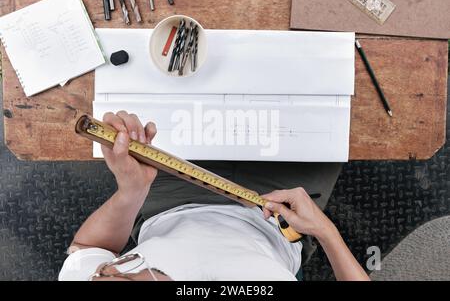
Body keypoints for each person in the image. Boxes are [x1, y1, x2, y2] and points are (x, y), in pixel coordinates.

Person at [59, 111, 370, 281]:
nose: (110, 273)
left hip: (171, 197)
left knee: (178, 79)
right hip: (278, 212)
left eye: (104, 275)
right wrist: (327, 231)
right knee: (332, 108)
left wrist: (132, 191)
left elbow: (88, 247)